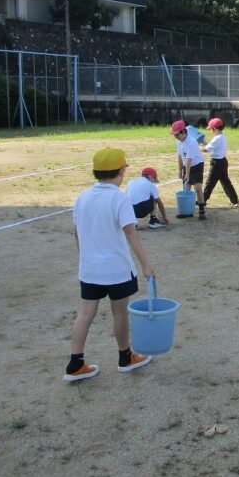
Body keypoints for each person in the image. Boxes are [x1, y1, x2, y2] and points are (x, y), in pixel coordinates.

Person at [64, 147, 155, 382]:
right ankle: (125, 358)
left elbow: (77, 234)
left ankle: (76, 363)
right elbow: (131, 233)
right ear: (121, 170)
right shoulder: (118, 198)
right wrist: (146, 264)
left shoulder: (82, 197)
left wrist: (85, 259)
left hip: (90, 270)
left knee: (85, 313)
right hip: (116, 270)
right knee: (119, 313)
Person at [201, 117, 239, 208]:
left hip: (217, 164)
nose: (210, 130)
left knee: (210, 183)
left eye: (211, 129)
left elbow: (206, 149)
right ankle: (235, 201)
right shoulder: (222, 136)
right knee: (226, 182)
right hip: (223, 161)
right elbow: (211, 146)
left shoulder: (217, 139)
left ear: (214, 129)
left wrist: (199, 146)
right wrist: (204, 143)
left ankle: (202, 201)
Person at [171, 119, 207, 220]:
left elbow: (189, 160)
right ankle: (187, 211)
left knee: (197, 188)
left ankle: (201, 210)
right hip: (186, 164)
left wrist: (187, 173)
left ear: (183, 132)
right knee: (186, 188)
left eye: (177, 135)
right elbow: (180, 156)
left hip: (196, 165)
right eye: (175, 135)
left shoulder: (191, 142)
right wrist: (180, 170)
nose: (176, 137)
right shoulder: (178, 141)